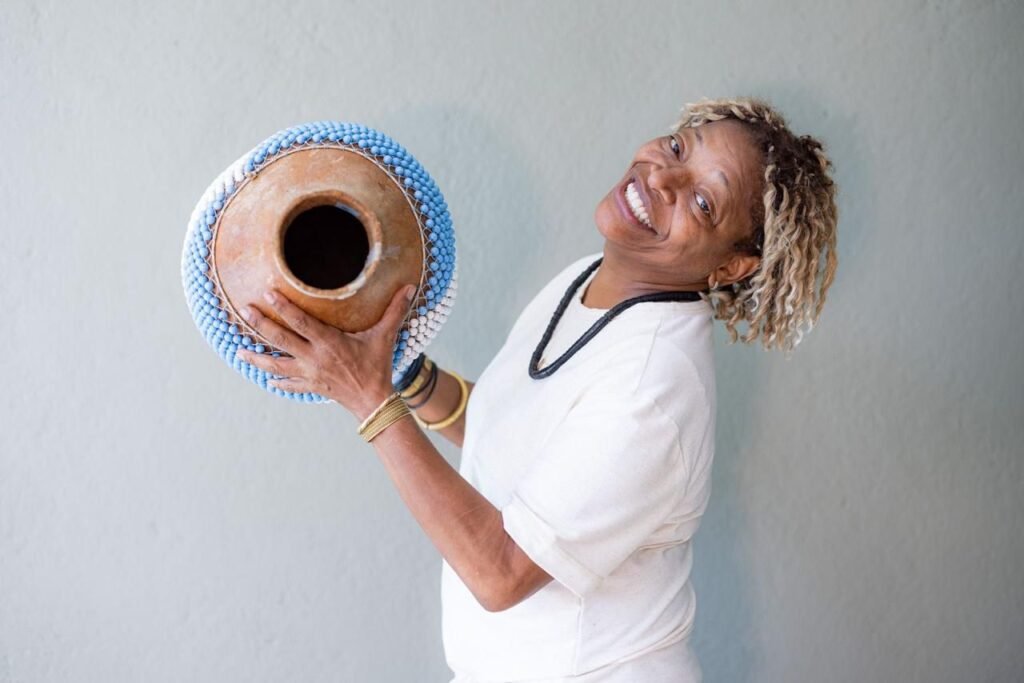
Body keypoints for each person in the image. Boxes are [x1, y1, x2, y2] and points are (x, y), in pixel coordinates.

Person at [235, 96, 839, 682]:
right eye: (679, 147)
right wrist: (403, 374)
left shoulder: (654, 386)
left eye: (703, 202)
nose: (662, 176)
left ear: (731, 266)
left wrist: (369, 398)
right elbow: (513, 431)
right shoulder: (590, 277)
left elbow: (500, 572)